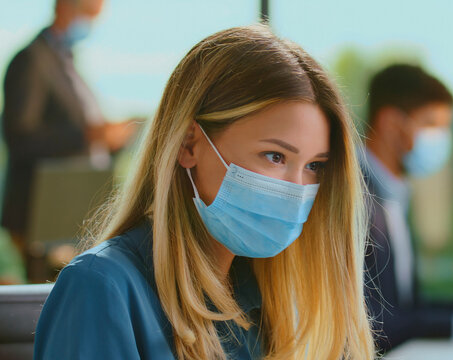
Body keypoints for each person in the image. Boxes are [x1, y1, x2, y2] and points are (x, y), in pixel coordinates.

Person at [33, 25, 375, 359]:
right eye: (275, 156)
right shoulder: (101, 288)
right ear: (189, 144)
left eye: (314, 166)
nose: (297, 190)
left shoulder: (265, 299)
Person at [1, 0, 136, 261]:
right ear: (64, 7)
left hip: (73, 209)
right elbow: (20, 138)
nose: (91, 25)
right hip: (39, 214)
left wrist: (111, 140)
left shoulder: (66, 60)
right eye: (88, 15)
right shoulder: (31, 60)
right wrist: (87, 135)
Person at [363, 64, 453, 352]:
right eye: (431, 124)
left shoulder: (393, 195)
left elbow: (406, 305)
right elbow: (372, 322)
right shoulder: (352, 198)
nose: (440, 139)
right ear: (390, 123)